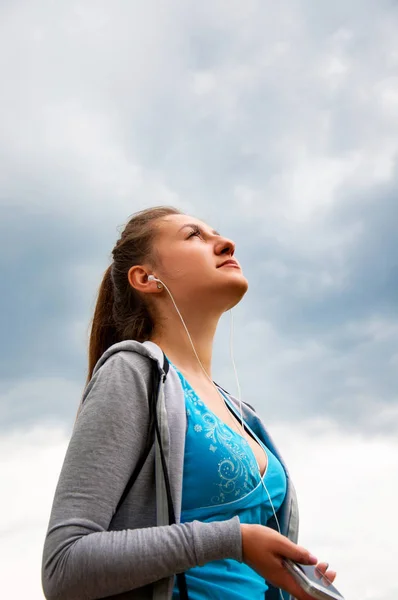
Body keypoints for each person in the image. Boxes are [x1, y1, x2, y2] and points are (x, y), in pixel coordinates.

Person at [41, 206, 337, 600]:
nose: (226, 243)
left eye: (217, 233)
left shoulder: (244, 414)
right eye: (194, 235)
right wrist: (234, 540)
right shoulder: (132, 372)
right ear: (146, 278)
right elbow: (64, 566)